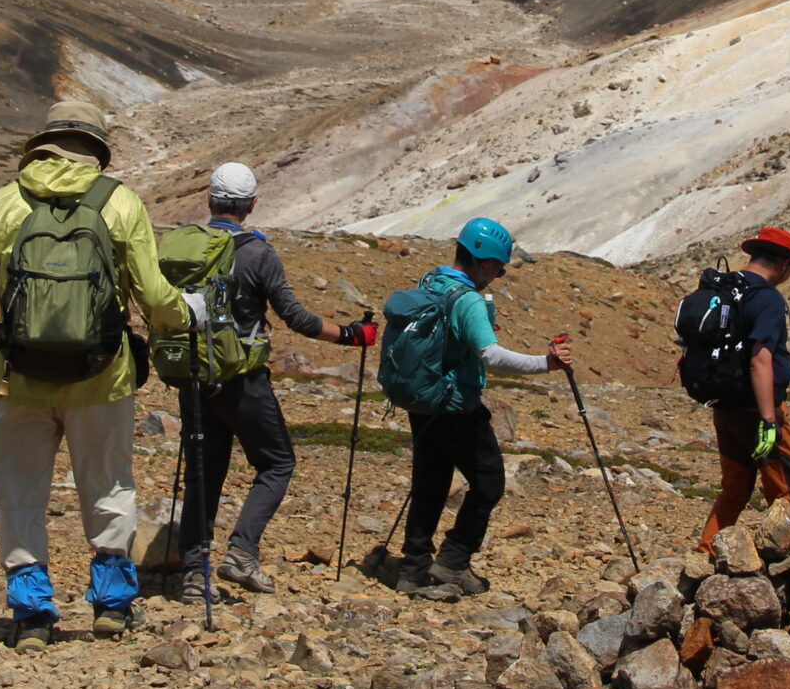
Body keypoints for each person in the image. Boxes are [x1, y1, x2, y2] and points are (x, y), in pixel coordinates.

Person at [0, 98, 188, 650]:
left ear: (43, 145)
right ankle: (111, 605)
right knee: (109, 485)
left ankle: (32, 613)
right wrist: (182, 317)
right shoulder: (120, 202)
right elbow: (154, 296)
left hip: (20, 376)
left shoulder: (6, 202)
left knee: (19, 491)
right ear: (96, 151)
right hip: (102, 376)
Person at [174, 161, 375, 599]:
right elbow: (296, 318)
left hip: (192, 375)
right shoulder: (259, 253)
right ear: (251, 205)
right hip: (242, 380)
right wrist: (350, 335)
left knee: (203, 474)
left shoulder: (184, 248)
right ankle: (241, 552)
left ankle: (193, 572)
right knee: (277, 463)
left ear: (209, 199)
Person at [383, 217, 571, 598]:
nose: (498, 276)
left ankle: (413, 569)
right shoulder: (468, 300)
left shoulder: (431, 281)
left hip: (423, 400)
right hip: (456, 406)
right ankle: (452, 562)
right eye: (498, 269)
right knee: (489, 482)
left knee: (430, 484)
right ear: (484, 264)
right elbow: (491, 355)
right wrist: (546, 363)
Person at [682, 226, 790, 554]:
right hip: (756, 409)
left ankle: (707, 552)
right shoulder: (766, 297)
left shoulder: (724, 288)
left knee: (735, 489)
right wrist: (769, 418)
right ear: (784, 264)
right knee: (785, 491)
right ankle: (780, 560)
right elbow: (760, 359)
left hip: (724, 405)